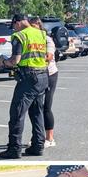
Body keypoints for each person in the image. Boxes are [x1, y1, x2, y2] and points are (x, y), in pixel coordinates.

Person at [0, 14, 48, 159]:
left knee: (17, 114)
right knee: (37, 113)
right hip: (42, 76)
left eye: (13, 25)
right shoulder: (41, 34)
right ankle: (38, 146)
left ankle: (14, 149)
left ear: (18, 22)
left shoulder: (20, 36)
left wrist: (2, 61)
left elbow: (15, 60)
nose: (13, 29)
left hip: (29, 78)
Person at [29, 17, 58, 148]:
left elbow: (49, 57)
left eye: (34, 26)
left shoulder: (47, 39)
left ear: (39, 26)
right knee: (36, 107)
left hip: (49, 74)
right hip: (36, 75)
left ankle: (50, 138)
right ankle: (37, 136)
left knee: (46, 106)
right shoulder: (29, 38)